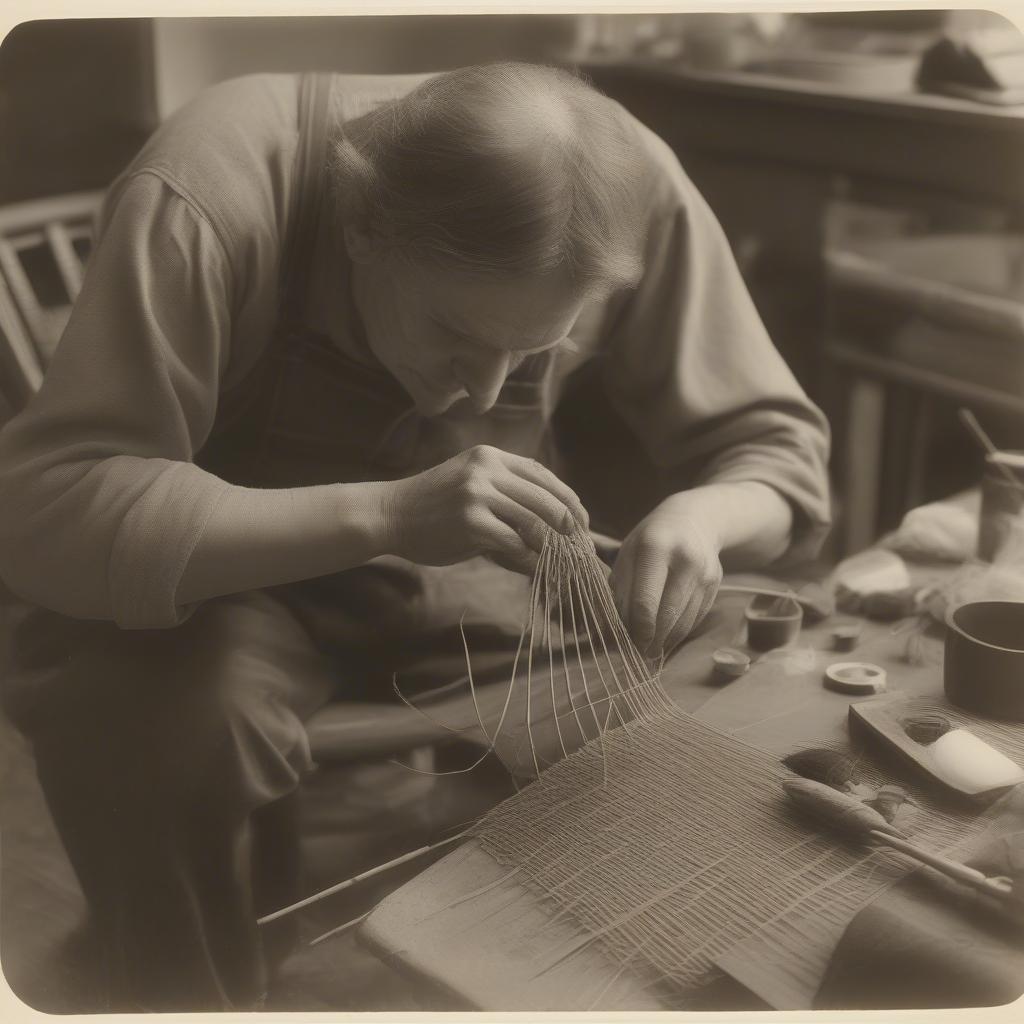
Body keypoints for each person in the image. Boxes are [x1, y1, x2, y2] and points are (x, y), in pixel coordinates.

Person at [0, 63, 830, 1010]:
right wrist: (389, 515)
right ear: (360, 225)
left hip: (483, 588)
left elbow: (779, 457)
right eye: (453, 333)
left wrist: (705, 514)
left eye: (535, 351)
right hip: (237, 590)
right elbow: (47, 508)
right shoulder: (211, 189)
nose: (484, 394)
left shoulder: (628, 188)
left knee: (738, 714)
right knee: (142, 729)